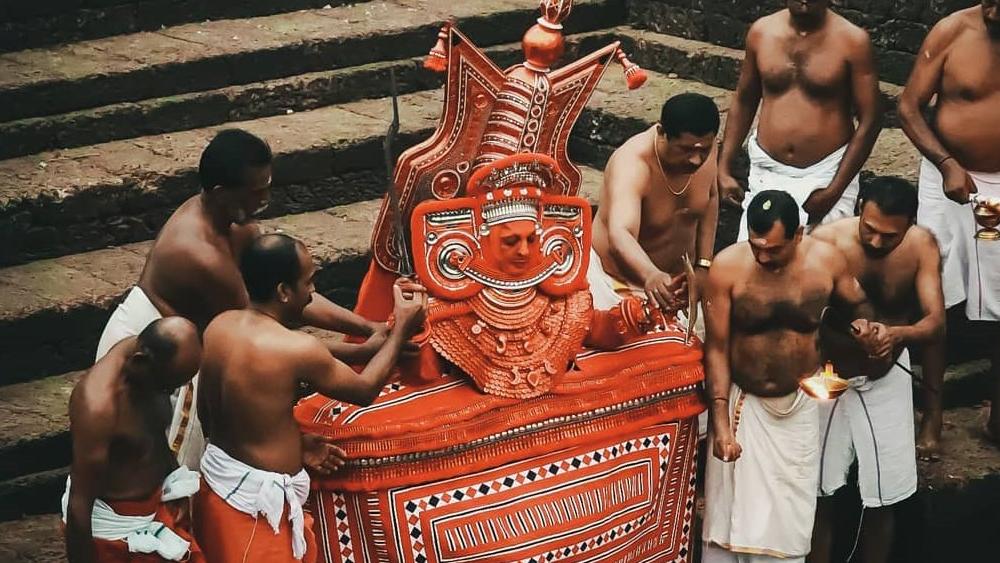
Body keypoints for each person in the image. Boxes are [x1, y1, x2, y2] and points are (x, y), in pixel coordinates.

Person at [94, 129, 391, 468]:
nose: (264, 201)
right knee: (151, 473)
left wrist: (368, 326)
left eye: (267, 188)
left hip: (200, 339)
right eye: (256, 192)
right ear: (222, 193)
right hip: (154, 347)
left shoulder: (239, 224)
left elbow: (290, 291)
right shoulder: (200, 254)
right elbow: (259, 335)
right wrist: (360, 350)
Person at [193, 234, 426, 562]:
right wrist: (402, 326)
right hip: (255, 512)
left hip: (218, 486)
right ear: (284, 292)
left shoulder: (220, 326)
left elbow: (217, 411)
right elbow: (364, 390)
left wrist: (296, 443)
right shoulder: (296, 349)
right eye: (308, 282)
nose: (313, 292)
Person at [701, 190, 880, 563]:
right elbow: (716, 347)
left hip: (799, 405)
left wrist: (863, 326)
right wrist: (720, 425)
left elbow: (858, 305)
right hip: (743, 406)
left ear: (798, 235)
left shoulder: (827, 261)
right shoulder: (728, 267)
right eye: (756, 247)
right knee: (729, 523)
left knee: (789, 515)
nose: (763, 257)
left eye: (774, 249)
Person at [808, 178, 945, 563]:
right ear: (859, 207)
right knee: (819, 492)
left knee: (884, 495)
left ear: (910, 223)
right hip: (830, 373)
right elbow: (802, 315)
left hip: (886, 374)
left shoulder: (921, 246)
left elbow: (935, 322)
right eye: (869, 229)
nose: (876, 242)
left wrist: (898, 333)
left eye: (890, 236)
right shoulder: (826, 242)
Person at [898, 0, 1000, 445]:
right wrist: (945, 163)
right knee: (932, 291)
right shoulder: (952, 30)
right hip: (948, 179)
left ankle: (998, 411)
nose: (993, 9)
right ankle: (932, 414)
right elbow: (908, 107)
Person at [718, 0, 882, 240]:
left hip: (826, 173)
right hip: (768, 170)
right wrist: (723, 166)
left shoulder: (852, 41)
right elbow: (744, 99)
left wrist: (834, 190)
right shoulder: (762, 32)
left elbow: (871, 119)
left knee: (821, 265)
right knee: (755, 258)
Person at [64, 317, 204, 563]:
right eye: (168, 386)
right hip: (115, 538)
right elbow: (79, 506)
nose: (171, 393)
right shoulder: (98, 408)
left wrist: (174, 486)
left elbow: (153, 432)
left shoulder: (149, 365)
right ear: (140, 362)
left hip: (154, 513)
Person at [589, 92, 720, 326]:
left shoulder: (706, 151)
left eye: (704, 150)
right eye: (686, 150)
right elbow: (621, 233)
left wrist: (703, 265)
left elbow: (710, 199)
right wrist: (650, 274)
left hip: (678, 286)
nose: (696, 161)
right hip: (616, 282)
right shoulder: (633, 163)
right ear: (661, 133)